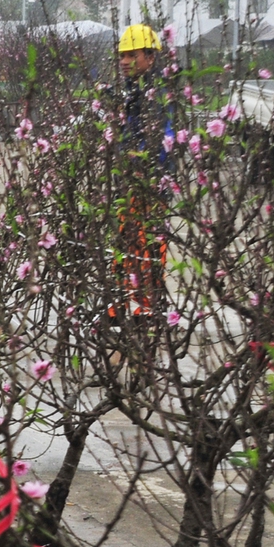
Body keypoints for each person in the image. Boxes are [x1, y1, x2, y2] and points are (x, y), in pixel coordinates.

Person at [112, 22, 171, 322]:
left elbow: (164, 142)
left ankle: (147, 309)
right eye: (121, 55)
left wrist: (145, 171)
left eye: (131, 54)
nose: (124, 61)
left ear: (150, 57)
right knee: (124, 245)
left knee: (146, 249)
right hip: (129, 184)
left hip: (150, 186)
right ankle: (122, 307)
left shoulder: (158, 96)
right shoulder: (131, 92)